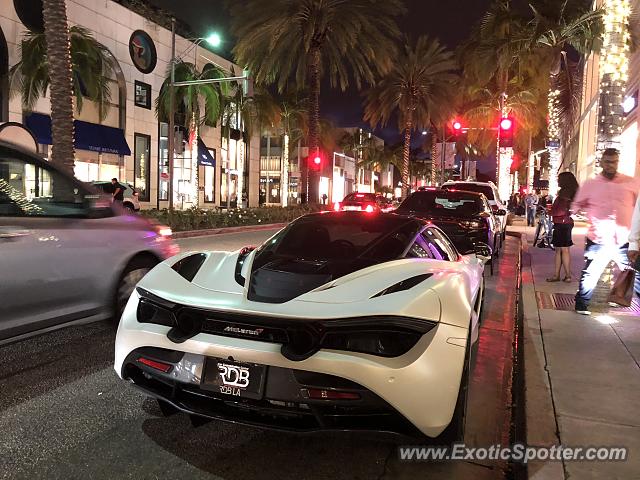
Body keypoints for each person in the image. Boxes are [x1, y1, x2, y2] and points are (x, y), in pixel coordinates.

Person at [573, 148, 640, 315]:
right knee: (591, 273)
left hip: (624, 239)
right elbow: (576, 205)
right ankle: (582, 303)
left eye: (614, 162)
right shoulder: (591, 184)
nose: (611, 165)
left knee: (634, 272)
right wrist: (583, 212)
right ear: (602, 162)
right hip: (599, 238)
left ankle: (621, 297)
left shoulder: (630, 183)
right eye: (608, 161)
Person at [546, 172, 579, 282]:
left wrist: (551, 212)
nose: (557, 181)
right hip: (566, 223)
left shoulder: (565, 194)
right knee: (562, 249)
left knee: (561, 250)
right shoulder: (572, 192)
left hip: (562, 223)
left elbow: (561, 210)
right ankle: (561, 275)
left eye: (559, 179)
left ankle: (563, 275)